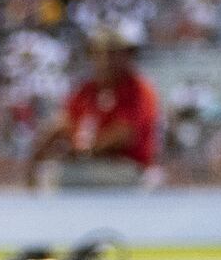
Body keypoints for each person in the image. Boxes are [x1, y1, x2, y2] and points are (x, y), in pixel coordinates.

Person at [29, 28, 161, 183]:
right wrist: (39, 152)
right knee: (49, 173)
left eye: (114, 54)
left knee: (57, 178)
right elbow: (64, 123)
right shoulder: (86, 90)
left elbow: (124, 135)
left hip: (128, 168)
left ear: (127, 56)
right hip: (89, 166)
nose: (107, 61)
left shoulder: (138, 90)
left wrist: (83, 151)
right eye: (101, 54)